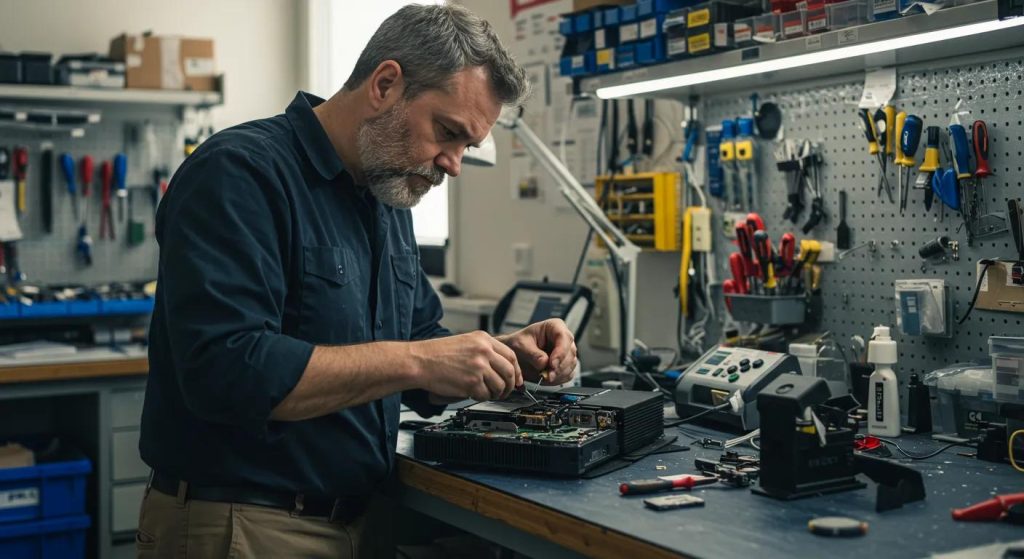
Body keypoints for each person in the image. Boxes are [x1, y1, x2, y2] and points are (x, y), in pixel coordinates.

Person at [136, 4, 578, 557]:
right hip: (242, 524)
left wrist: (498, 353)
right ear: (386, 84)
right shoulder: (238, 174)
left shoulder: (387, 196)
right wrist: (422, 361)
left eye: (467, 146)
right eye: (448, 133)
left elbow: (422, 345)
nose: (454, 164)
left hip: (359, 519)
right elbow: (228, 370)